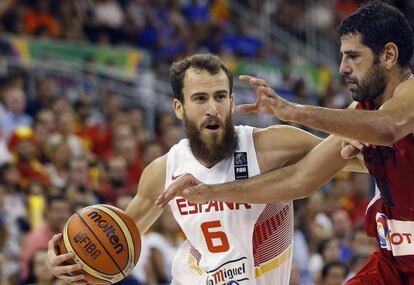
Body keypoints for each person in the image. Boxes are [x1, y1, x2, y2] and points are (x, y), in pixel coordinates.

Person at [47, 54, 362, 285]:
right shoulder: (162, 170)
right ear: (178, 107)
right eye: (200, 98)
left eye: (220, 96)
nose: (212, 107)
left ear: (231, 101)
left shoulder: (272, 146)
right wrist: (69, 260)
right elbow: (119, 246)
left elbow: (357, 161)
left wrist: (362, 136)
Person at [156, 2, 414, 285]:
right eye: (342, 56)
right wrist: (212, 192)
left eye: (353, 56)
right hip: (394, 263)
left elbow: (389, 127)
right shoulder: (362, 112)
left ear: (388, 55)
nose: (343, 68)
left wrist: (294, 112)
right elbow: (300, 178)